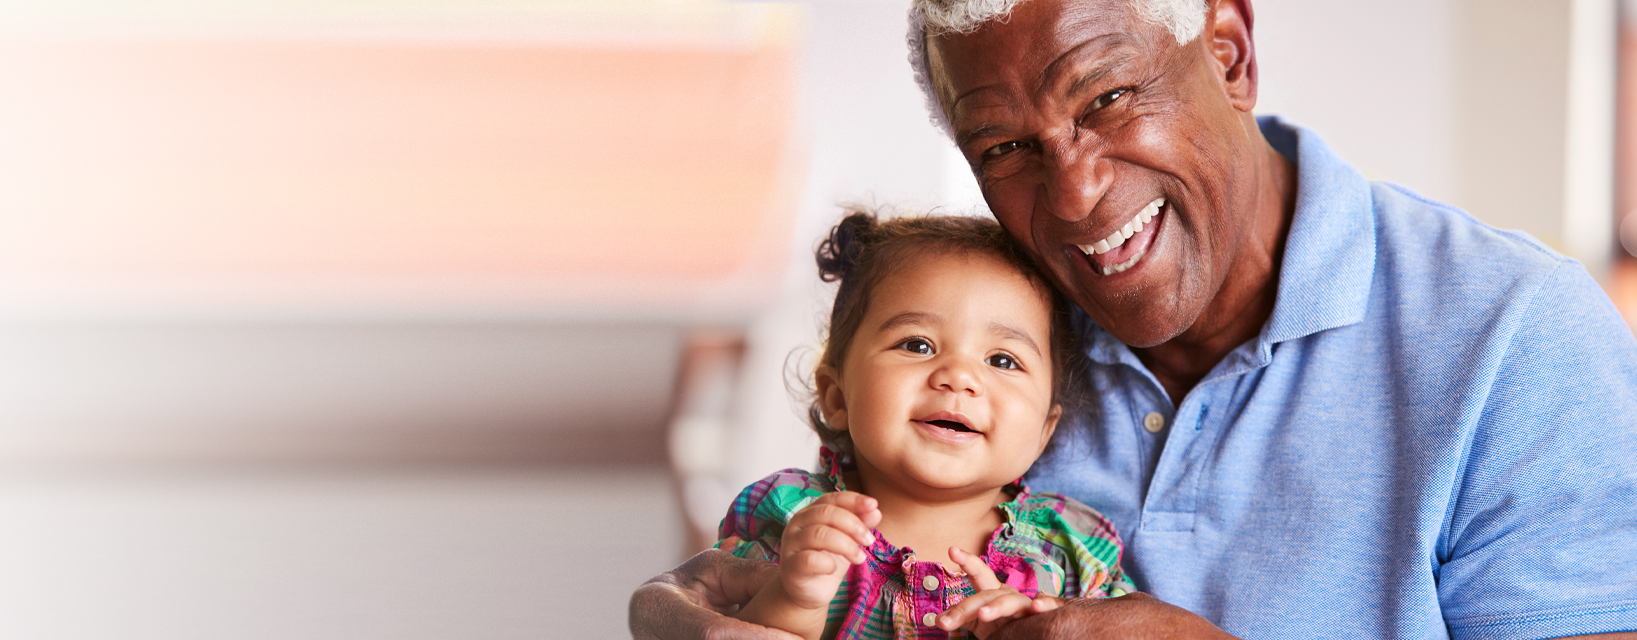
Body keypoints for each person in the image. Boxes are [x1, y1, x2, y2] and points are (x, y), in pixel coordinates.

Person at [629, 0, 1637, 638]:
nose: (1072, 196)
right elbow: (745, 569)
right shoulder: (990, 331)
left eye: (1108, 97)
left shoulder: (1518, 336)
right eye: (1004, 150)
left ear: (1231, 53)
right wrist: (675, 611)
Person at [718, 212, 1133, 640]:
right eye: (918, 345)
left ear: (1045, 430)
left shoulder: (1074, 550)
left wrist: (1043, 629)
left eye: (1002, 360)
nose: (959, 376)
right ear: (836, 397)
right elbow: (714, 624)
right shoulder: (795, 518)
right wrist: (793, 597)